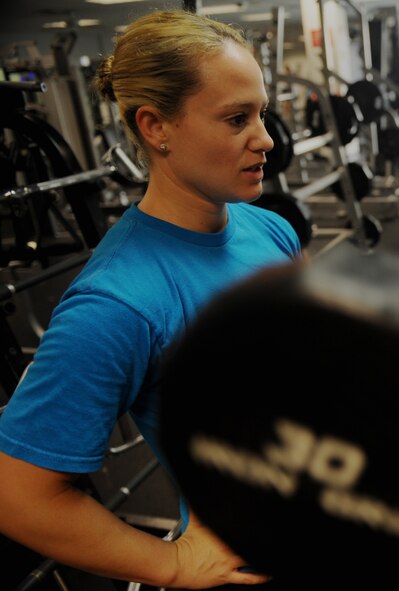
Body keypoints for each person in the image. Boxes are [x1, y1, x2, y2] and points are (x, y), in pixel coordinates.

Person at [0, 10, 301, 589]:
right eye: (237, 118)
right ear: (156, 127)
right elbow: (19, 497)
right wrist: (172, 563)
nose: (265, 139)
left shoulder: (268, 229)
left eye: (261, 113)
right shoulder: (120, 302)